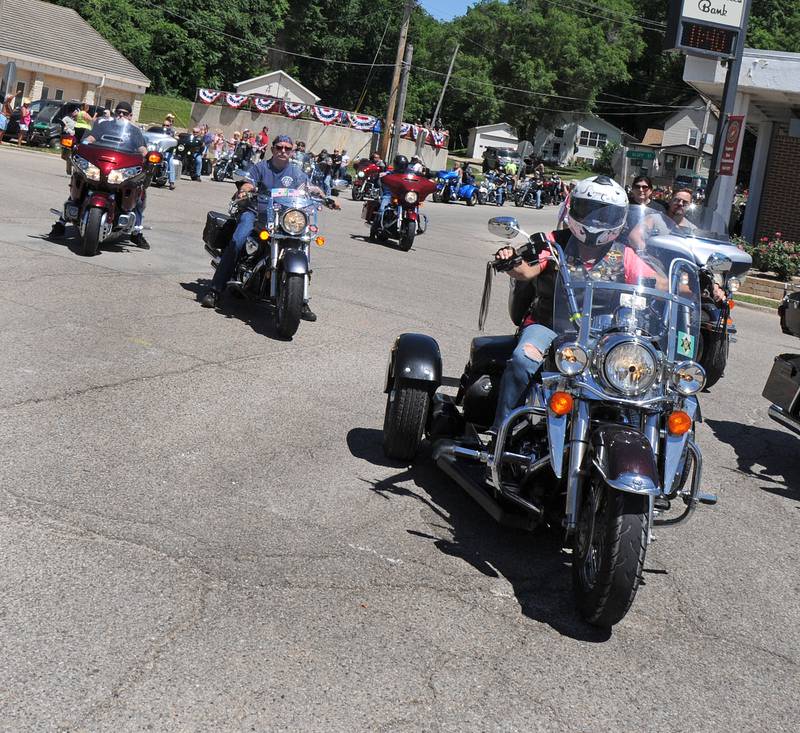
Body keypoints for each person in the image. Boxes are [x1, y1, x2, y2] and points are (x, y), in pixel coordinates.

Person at [490, 175, 658, 433]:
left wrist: (695, 282)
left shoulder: (623, 253)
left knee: (637, 373)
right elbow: (527, 271)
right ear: (575, 208)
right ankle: (501, 430)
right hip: (548, 325)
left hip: (602, 334)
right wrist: (510, 259)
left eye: (605, 214)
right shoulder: (553, 242)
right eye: (590, 211)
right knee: (522, 360)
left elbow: (658, 282)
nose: (596, 220)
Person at [200, 135, 338, 317]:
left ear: (292, 151)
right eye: (279, 147)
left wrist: (325, 197)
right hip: (256, 213)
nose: (283, 151)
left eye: (287, 148)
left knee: (302, 245)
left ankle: (301, 301)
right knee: (238, 240)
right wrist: (244, 190)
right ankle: (215, 290)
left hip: (284, 218)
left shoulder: (296, 172)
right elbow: (248, 183)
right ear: (272, 149)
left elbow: (309, 187)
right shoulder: (261, 168)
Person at [49, 102, 151, 248]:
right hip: (101, 166)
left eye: (124, 113)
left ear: (130, 116)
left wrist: (149, 157)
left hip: (120, 168)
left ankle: (136, 232)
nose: (120, 115)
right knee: (79, 185)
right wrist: (81, 144)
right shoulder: (104, 126)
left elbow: (142, 149)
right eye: (118, 112)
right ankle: (60, 224)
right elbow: (91, 138)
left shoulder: (134, 132)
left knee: (140, 195)